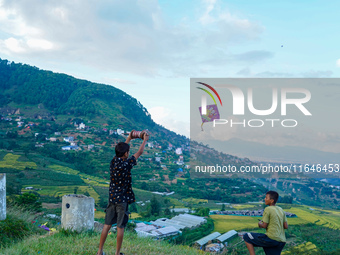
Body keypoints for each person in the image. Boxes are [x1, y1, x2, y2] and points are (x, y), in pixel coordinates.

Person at [96, 130, 149, 255]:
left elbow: (121, 151)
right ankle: (117, 253)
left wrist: (128, 139)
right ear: (126, 154)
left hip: (112, 198)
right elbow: (139, 152)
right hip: (122, 200)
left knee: (107, 225)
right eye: (128, 151)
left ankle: (99, 251)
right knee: (120, 227)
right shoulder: (127, 163)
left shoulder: (113, 161)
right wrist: (144, 140)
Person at [243, 191, 288, 255]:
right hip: (281, 241)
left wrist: (259, 224)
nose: (264, 199)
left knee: (247, 236)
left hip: (271, 239)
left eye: (266, 198)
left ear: (271, 200)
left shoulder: (268, 209)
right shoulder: (281, 209)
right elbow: (286, 226)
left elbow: (264, 225)